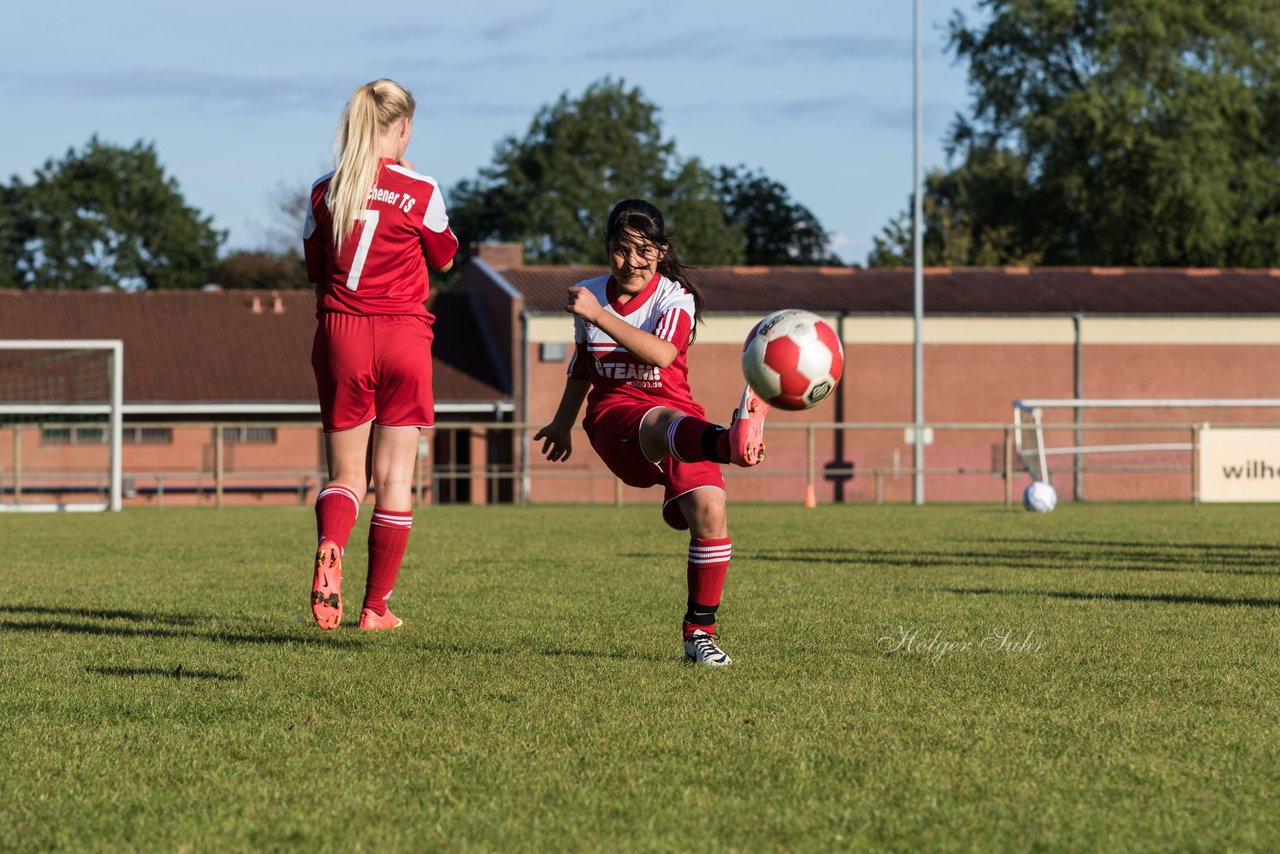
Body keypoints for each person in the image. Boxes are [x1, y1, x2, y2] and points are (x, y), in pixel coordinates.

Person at [534, 199, 770, 666]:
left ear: (661, 252)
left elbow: (663, 354)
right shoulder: (589, 297)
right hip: (615, 415)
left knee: (711, 510)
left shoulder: (674, 297)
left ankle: (699, 635)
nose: (632, 262)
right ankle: (730, 443)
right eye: (622, 250)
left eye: (644, 251)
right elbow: (583, 368)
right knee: (663, 424)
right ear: (607, 249)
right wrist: (563, 424)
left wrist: (599, 316)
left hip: (680, 416)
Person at [302, 78, 457, 631]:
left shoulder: (325, 191)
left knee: (346, 474)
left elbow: (315, 273)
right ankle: (374, 608)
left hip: (342, 332)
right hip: (404, 336)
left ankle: (330, 543)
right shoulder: (420, 189)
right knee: (395, 478)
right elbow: (444, 256)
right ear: (404, 126)